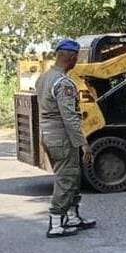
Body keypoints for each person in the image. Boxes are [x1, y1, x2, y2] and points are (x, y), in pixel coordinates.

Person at [36, 39, 96, 238]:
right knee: (66, 177)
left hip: (48, 135)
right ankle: (55, 223)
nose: (76, 61)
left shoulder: (43, 78)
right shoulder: (63, 83)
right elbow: (69, 117)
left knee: (71, 175)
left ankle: (72, 216)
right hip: (62, 137)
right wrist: (83, 143)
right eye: (76, 57)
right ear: (69, 57)